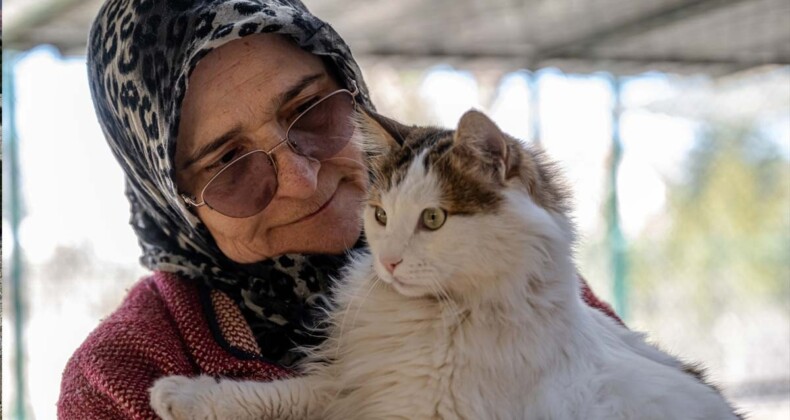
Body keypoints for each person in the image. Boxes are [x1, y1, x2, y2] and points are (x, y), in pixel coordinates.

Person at [57, 0, 620, 418]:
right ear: (171, 201)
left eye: (311, 112)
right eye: (230, 164)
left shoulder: (516, 279)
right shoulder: (119, 376)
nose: (301, 181)